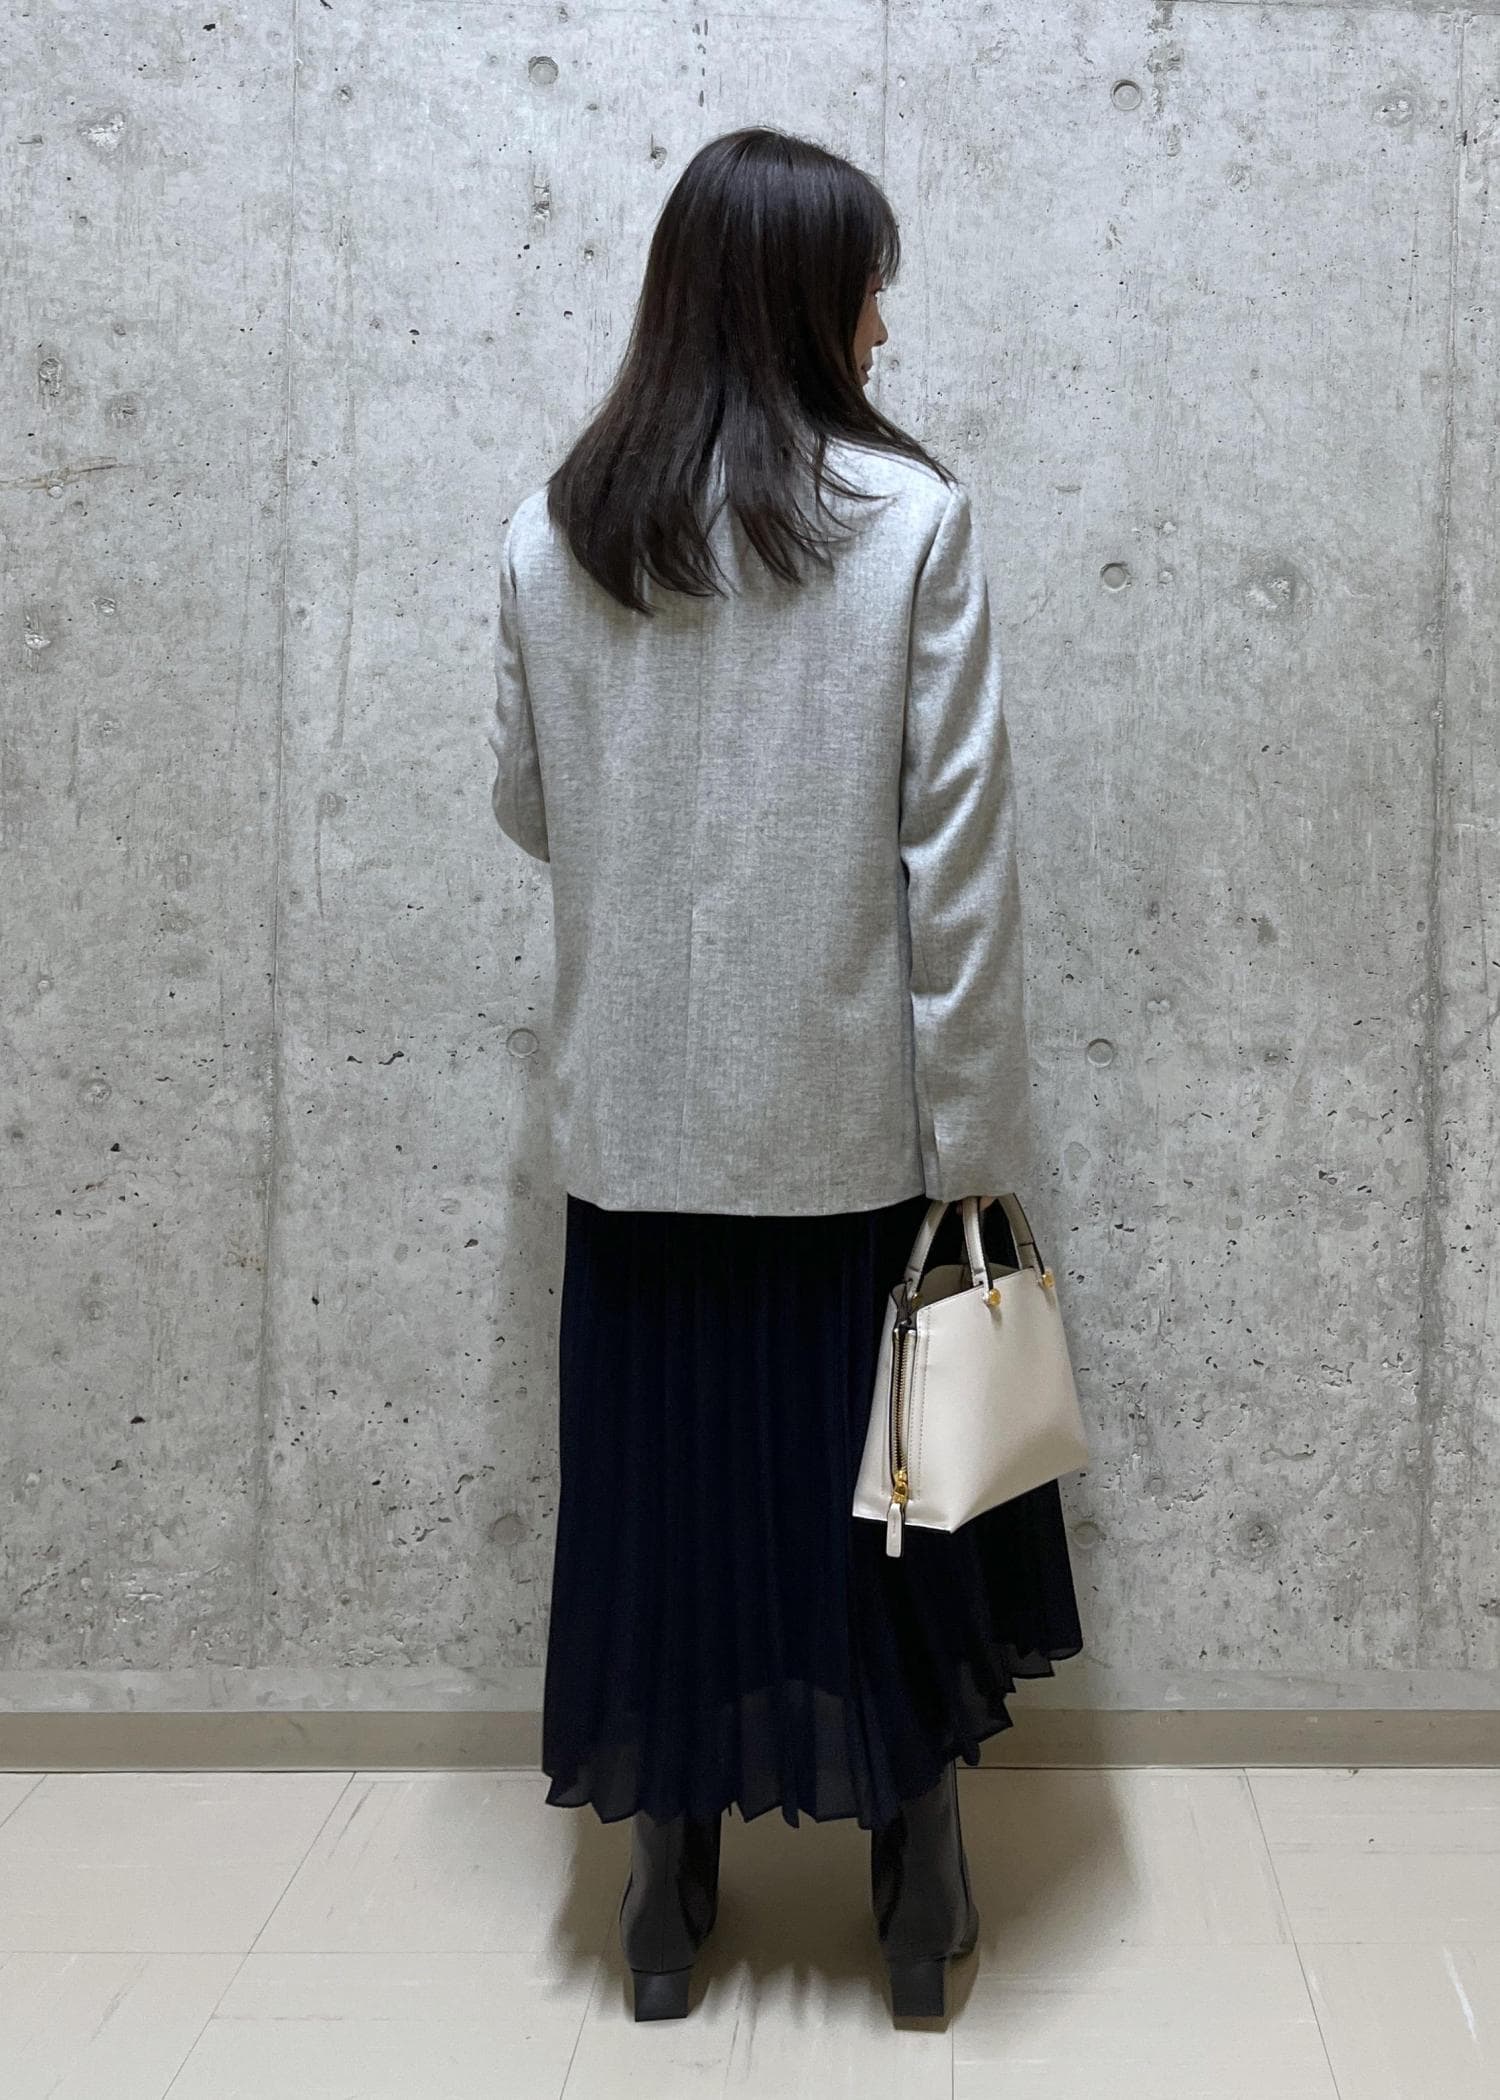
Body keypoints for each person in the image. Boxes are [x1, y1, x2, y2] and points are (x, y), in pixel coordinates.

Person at [484, 124, 1083, 2024]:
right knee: (884, 1510)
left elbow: (526, 803)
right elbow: (956, 862)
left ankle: (666, 1901)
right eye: (869, 286)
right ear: (807, 299)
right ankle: (916, 1892)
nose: (885, 324)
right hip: (849, 1130)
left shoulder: (555, 529)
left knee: (662, 1502)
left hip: (637, 1129)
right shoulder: (908, 524)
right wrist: (974, 1141)